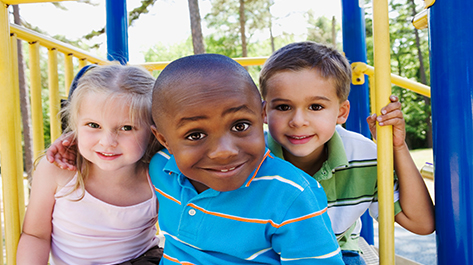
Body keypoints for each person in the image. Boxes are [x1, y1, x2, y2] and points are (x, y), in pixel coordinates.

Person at [47, 54, 344, 264]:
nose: (223, 150)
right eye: (195, 135)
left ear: (262, 116)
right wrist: (72, 142)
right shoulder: (161, 168)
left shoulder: (291, 196)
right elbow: (119, 147)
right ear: (163, 140)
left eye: (240, 126)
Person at [259, 41, 435, 264]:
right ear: (264, 112)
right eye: (284, 107)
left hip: (339, 251)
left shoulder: (363, 155)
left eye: (315, 107)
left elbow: (421, 223)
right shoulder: (252, 159)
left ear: (341, 113)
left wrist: (397, 148)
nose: (298, 121)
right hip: (269, 253)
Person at [17, 64, 163, 265]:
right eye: (93, 125)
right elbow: (35, 235)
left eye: (126, 128)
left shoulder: (159, 174)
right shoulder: (57, 171)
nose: (107, 141)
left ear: (153, 133)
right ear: (75, 125)